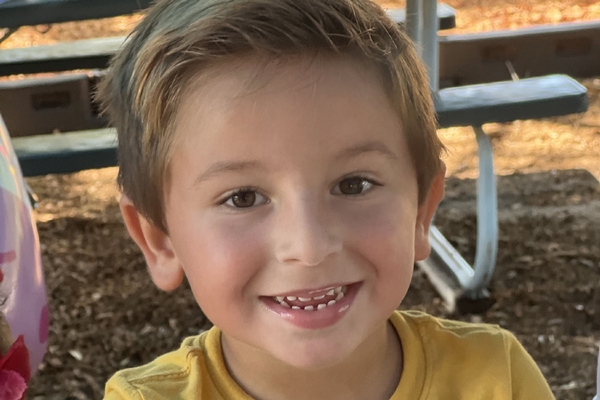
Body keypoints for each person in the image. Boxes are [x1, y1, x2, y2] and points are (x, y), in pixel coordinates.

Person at [98, 0, 555, 398]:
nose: (310, 246)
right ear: (159, 240)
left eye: (353, 184)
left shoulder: (498, 380)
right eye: (242, 197)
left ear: (421, 211)